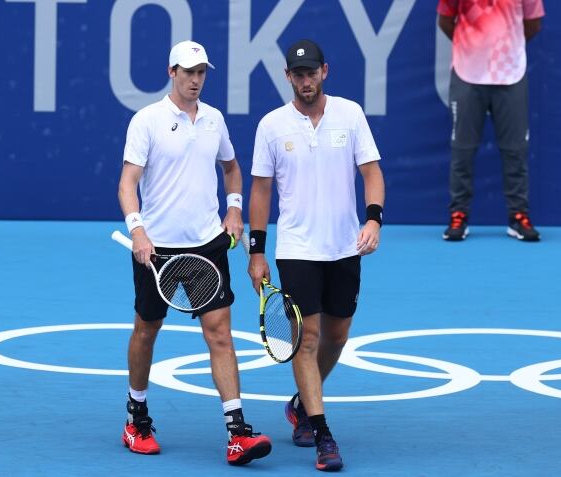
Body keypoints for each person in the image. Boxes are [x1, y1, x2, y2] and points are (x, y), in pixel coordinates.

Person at [117, 40, 271, 466]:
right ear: (171, 72)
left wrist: (235, 209)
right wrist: (139, 231)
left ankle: (237, 432)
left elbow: (231, 168)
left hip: (207, 245)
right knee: (147, 330)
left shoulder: (214, 120)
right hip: (158, 249)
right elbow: (128, 183)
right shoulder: (146, 120)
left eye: (202, 72)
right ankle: (136, 415)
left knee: (219, 334)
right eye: (188, 72)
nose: (196, 79)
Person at [247, 39, 385, 472]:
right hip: (297, 249)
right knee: (306, 339)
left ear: (325, 71)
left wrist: (374, 219)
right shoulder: (271, 125)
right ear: (288, 77)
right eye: (297, 74)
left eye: (312, 73)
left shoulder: (351, 114)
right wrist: (257, 250)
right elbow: (261, 191)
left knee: (337, 336)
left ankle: (300, 403)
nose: (305, 81)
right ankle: (322, 431)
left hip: (345, 247)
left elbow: (372, 172)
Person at [438, 0, 545, 242]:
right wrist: (473, 47)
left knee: (515, 150)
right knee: (462, 151)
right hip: (467, 73)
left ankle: (518, 216)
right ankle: (459, 214)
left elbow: (533, 23)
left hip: (511, 74)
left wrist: (505, 49)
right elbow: (445, 20)